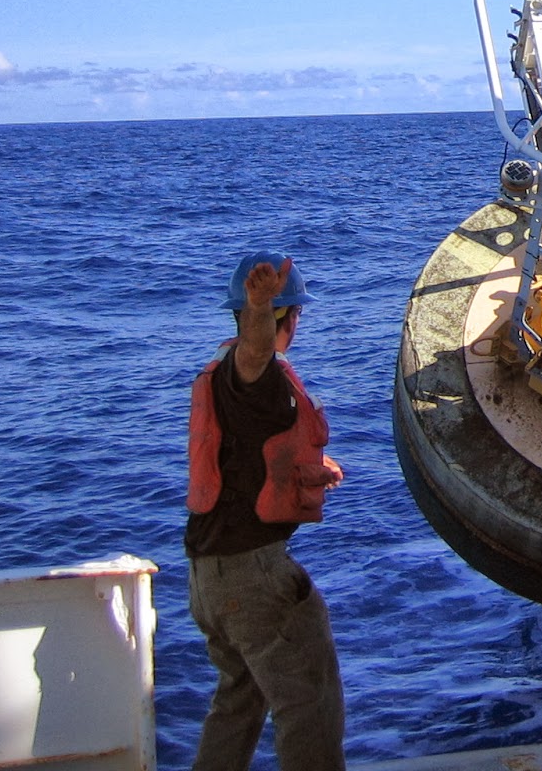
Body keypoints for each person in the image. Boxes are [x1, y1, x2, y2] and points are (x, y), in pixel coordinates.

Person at [185, 253, 347, 771]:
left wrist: (313, 466)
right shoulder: (253, 370)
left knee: (240, 700)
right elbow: (257, 353)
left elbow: (247, 458)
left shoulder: (223, 380)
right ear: (291, 318)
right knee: (310, 702)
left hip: (209, 576)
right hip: (252, 576)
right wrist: (263, 306)